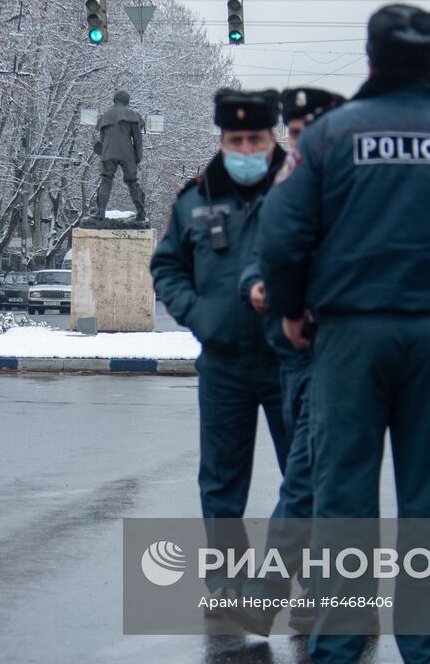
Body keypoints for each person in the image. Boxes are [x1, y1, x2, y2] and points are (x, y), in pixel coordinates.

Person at [259, 4, 430, 664]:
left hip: (349, 336)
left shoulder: (326, 138)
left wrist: (291, 309)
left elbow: (284, 231)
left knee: (343, 494)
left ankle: (335, 655)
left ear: (371, 59)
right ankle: (427, 658)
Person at [151, 88, 291, 613]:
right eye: (237, 139)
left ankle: (294, 583)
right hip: (225, 363)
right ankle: (228, 587)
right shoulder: (195, 198)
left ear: (273, 136)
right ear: (223, 140)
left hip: (291, 362)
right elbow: (167, 267)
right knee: (221, 482)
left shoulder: (298, 190)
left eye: (256, 138)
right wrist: (200, 315)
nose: (248, 148)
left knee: (306, 478)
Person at [223, 86, 344, 639]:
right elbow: (255, 258)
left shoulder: (349, 187)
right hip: (290, 355)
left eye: (307, 133)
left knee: (315, 478)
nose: (299, 145)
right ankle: (330, 602)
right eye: (293, 135)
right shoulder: (283, 189)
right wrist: (256, 288)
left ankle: (280, 596)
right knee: (321, 479)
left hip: (336, 351)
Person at [95, 90, 148, 220]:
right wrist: (138, 157)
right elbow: (137, 139)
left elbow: (102, 140)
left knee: (106, 180)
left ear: (114, 100)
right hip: (127, 153)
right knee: (132, 182)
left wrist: (105, 154)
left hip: (108, 152)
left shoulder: (105, 116)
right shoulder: (132, 114)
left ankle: (101, 212)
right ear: (127, 101)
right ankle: (141, 212)